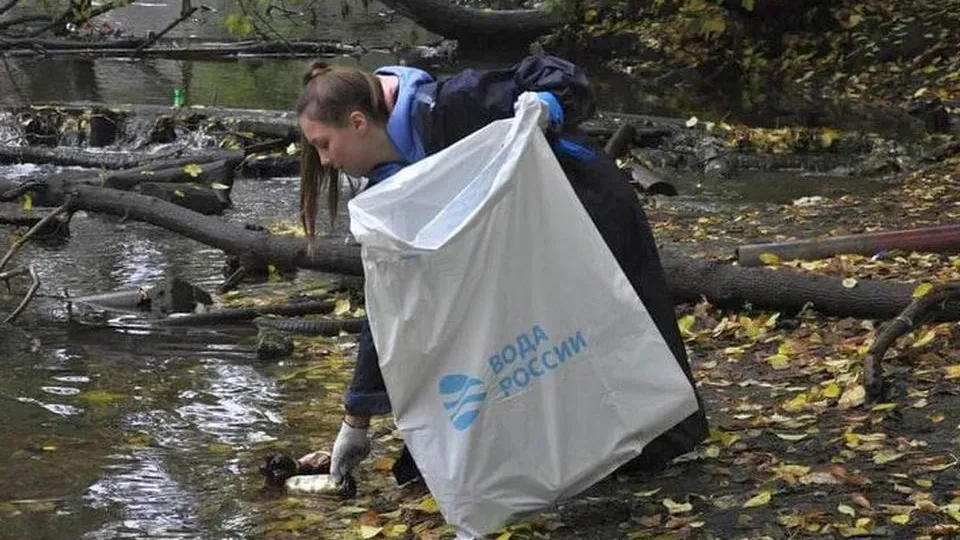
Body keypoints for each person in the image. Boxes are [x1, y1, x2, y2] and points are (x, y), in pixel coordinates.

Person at [296, 54, 709, 490]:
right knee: (534, 342)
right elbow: (389, 305)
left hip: (587, 206)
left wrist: (546, 104)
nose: (324, 161)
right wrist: (356, 418)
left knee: (617, 321)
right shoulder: (390, 186)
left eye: (324, 144)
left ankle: (667, 440)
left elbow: (559, 74)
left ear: (358, 122)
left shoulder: (453, 104)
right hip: (525, 239)